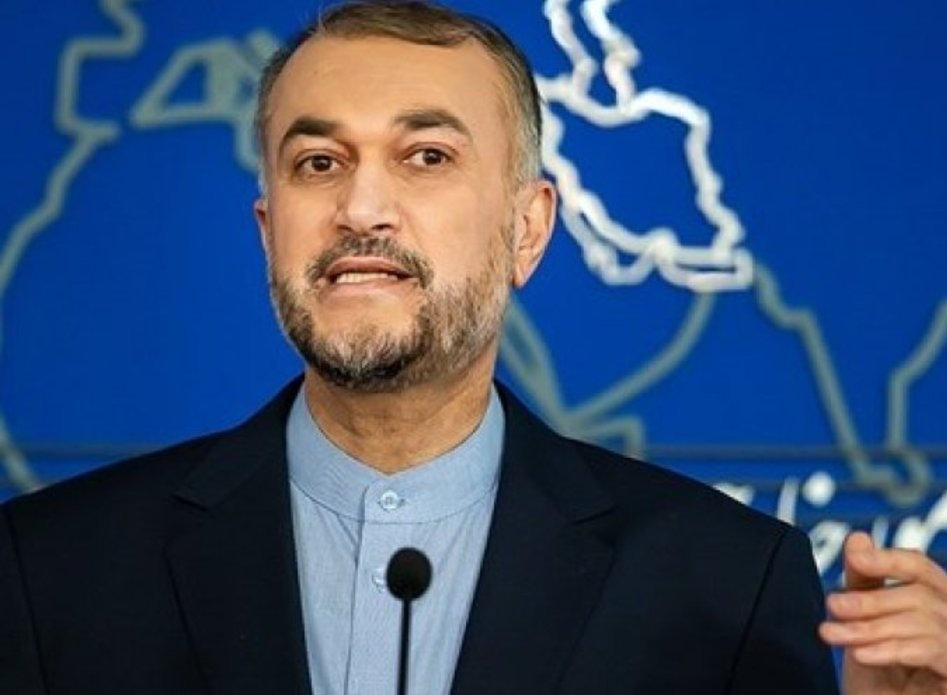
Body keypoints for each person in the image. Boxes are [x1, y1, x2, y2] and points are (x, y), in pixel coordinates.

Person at [1, 2, 945, 693]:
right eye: (318, 162)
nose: (360, 208)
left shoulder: (725, 581)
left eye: (427, 157)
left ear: (527, 231)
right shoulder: (50, 571)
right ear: (267, 229)